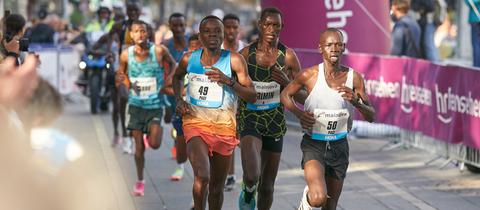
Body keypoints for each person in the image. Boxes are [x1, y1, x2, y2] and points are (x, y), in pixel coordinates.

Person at [280, 28, 375, 210]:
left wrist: (357, 102)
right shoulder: (310, 75)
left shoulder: (354, 78)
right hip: (314, 144)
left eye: (338, 44)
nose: (334, 49)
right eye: (329, 45)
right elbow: (285, 94)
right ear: (320, 48)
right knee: (318, 198)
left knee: (330, 206)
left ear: (344, 47)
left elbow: (371, 116)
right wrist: (299, 114)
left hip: (339, 145)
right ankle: (305, 204)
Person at [172, 15, 256, 210]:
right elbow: (176, 78)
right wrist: (178, 99)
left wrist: (229, 81)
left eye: (217, 31)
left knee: (217, 188)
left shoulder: (234, 60)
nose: (213, 35)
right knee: (202, 175)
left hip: (224, 128)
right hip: (195, 124)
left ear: (223, 34)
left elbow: (252, 95)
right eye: (207, 31)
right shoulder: (189, 59)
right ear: (200, 35)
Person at [237, 7, 302, 210]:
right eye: (268, 24)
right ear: (259, 25)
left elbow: (302, 95)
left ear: (282, 27)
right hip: (249, 117)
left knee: (267, 186)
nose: (272, 29)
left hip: (274, 121)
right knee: (251, 176)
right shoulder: (246, 54)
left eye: (277, 25)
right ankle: (248, 191)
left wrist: (287, 83)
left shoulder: (289, 57)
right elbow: (232, 87)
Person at [115, 20, 176, 196]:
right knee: (139, 148)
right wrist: (126, 85)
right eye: (136, 31)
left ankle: (151, 135)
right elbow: (121, 73)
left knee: (156, 144)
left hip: (155, 105)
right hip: (135, 106)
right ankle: (140, 180)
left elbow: (173, 64)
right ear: (131, 35)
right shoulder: (126, 55)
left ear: (147, 33)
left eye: (143, 31)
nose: (140, 34)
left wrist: (169, 78)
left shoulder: (158, 50)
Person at [94, 2, 143, 153]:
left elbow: (153, 46)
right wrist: (108, 53)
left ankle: (135, 134)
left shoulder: (145, 27)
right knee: (119, 103)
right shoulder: (117, 28)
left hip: (139, 70)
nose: (133, 13)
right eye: (130, 10)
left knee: (135, 103)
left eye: (136, 10)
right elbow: (106, 41)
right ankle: (121, 134)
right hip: (119, 69)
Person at [220, 13, 247, 191]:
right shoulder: (217, 49)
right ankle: (229, 175)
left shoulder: (245, 49)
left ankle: (240, 176)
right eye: (227, 27)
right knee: (227, 140)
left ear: (239, 29)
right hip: (222, 101)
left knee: (240, 140)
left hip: (243, 101)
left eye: (234, 27)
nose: (231, 31)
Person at [163, 12, 191, 181]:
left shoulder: (193, 43)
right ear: (170, 26)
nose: (179, 28)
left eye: (181, 25)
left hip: (191, 96)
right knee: (177, 130)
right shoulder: (165, 46)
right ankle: (180, 163)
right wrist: (164, 104)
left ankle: (181, 163)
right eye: (175, 25)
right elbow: (161, 73)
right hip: (172, 95)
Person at [465, 0, 480, 67]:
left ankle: (477, 66)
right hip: (476, 20)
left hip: (476, 19)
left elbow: (468, 2)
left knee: (476, 44)